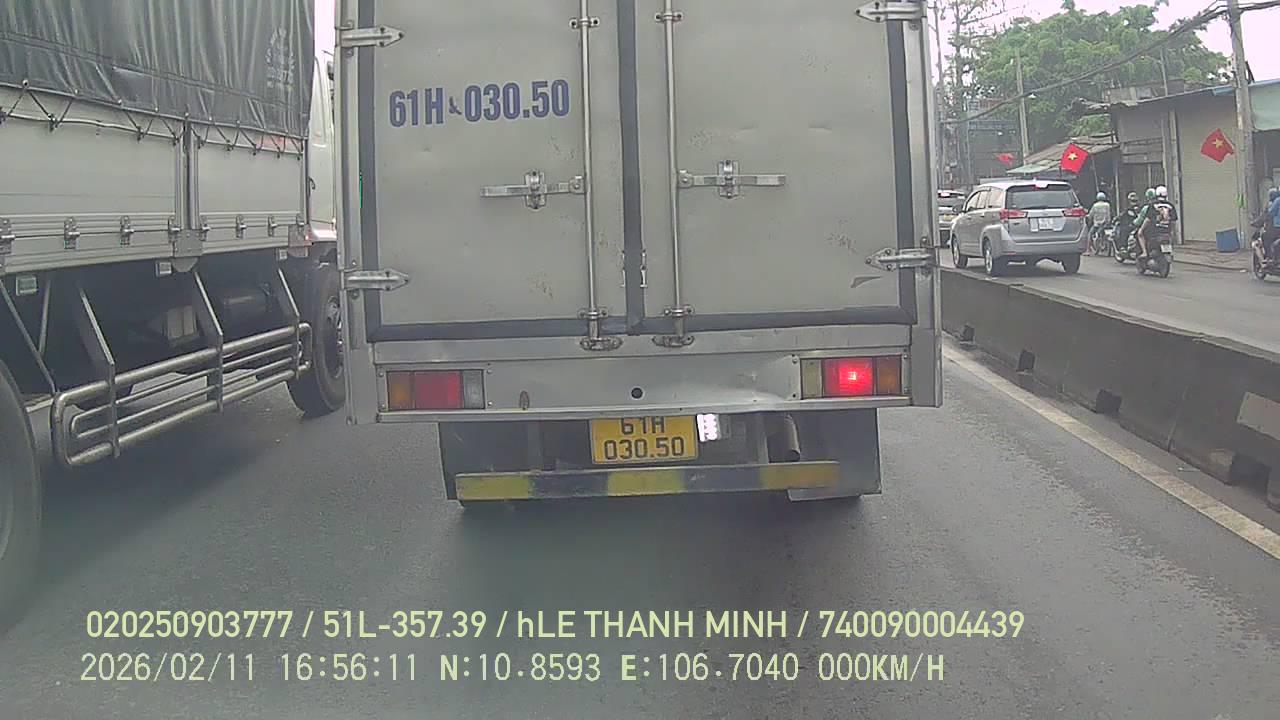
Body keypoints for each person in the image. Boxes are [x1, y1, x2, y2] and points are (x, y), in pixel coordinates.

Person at [1132, 188, 1158, 258]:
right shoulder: (1162, 205)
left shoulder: (1147, 207)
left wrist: (1135, 223)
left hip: (1150, 229)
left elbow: (1143, 219)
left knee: (1140, 234)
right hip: (1160, 229)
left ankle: (1144, 252)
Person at [1114, 192, 1142, 257]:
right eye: (1133, 201)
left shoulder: (1130, 209)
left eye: (1134, 201)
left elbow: (1122, 215)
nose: (1133, 202)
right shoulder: (1139, 208)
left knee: (1123, 231)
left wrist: (1116, 218)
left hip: (1133, 225)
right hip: (1139, 225)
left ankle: (1123, 247)